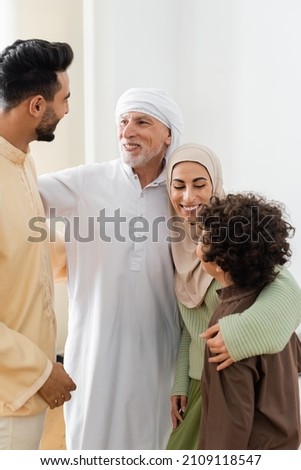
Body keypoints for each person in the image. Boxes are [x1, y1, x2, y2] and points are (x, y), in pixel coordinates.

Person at [38, 95, 301, 450]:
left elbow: (284, 288)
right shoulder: (91, 182)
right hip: (100, 358)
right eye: (122, 121)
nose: (128, 131)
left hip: (192, 366)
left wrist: (238, 334)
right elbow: (24, 192)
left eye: (142, 122)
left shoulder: (216, 223)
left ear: (168, 135)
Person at [165, 143, 301, 449]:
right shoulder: (177, 242)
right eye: (178, 185)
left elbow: (290, 292)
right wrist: (181, 381)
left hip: (228, 371)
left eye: (200, 184)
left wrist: (237, 335)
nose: (188, 197)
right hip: (202, 382)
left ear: (216, 183)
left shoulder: (237, 238)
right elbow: (191, 322)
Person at [0, 39, 76, 450]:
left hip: (27, 397)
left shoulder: (23, 160)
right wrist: (42, 372)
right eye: (63, 99)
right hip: (6, 402)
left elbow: (35, 253)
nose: (66, 110)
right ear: (36, 106)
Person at [197, 193, 301, 449]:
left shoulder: (225, 333)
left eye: (203, 239)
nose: (196, 244)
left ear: (220, 261)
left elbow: (227, 432)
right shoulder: (276, 314)